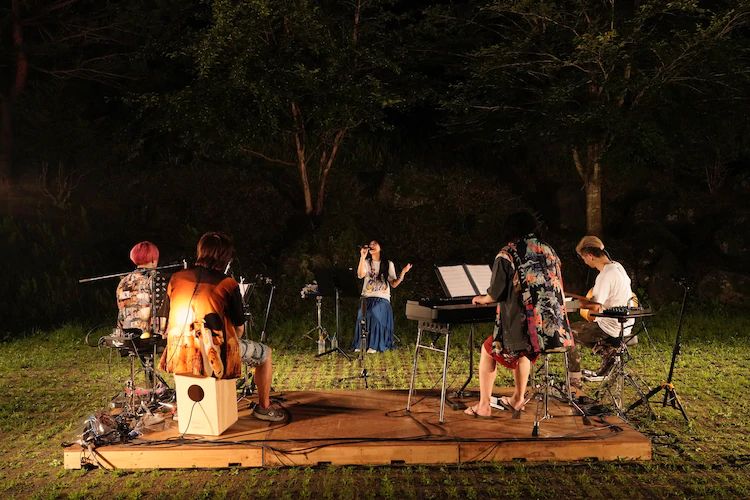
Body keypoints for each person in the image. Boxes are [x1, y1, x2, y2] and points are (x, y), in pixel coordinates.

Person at [159, 232, 286, 422]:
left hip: (178, 352)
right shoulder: (227, 283)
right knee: (265, 354)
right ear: (225, 257)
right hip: (215, 354)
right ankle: (264, 407)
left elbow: (165, 323)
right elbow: (239, 329)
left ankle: (184, 407)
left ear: (201, 251)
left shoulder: (176, 278)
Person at [464, 211, 573, 417]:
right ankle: (517, 399)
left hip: (523, 325)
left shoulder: (507, 253)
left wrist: (481, 299)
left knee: (488, 349)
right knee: (525, 353)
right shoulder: (548, 250)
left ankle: (484, 406)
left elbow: (495, 293)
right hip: (551, 327)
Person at [568, 236, 635, 387]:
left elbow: (595, 307)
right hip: (626, 324)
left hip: (610, 327)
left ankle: (574, 380)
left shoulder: (605, 275)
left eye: (583, 258)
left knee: (567, 334)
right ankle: (608, 354)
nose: (584, 261)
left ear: (589, 256)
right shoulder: (617, 267)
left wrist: (571, 305)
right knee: (584, 328)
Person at [352, 240, 412, 353]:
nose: (371, 246)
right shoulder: (366, 262)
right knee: (361, 315)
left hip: (382, 298)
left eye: (375, 244)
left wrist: (403, 272)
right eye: (370, 244)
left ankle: (374, 345)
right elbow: (360, 275)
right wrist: (362, 257)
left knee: (374, 312)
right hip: (367, 297)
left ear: (380, 247)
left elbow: (394, 284)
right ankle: (361, 344)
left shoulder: (388, 264)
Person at [116, 241, 165, 339]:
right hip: (150, 335)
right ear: (153, 260)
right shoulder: (157, 279)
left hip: (126, 334)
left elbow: (121, 309)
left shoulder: (123, 281)